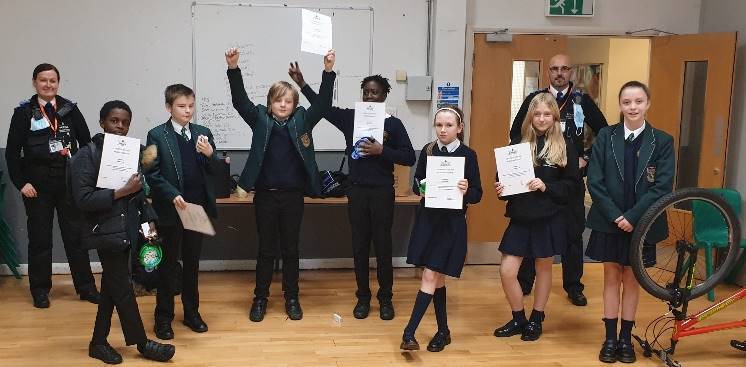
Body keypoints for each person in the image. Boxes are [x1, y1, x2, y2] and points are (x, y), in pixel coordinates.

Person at [288, 64, 416, 320]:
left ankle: (386, 299)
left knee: (383, 246)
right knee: (359, 247)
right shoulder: (350, 118)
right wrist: (303, 85)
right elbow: (323, 108)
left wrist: (383, 151)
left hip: (382, 193)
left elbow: (409, 157)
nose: (370, 96)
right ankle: (363, 298)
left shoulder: (394, 124)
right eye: (366, 92)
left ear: (384, 96)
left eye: (375, 92)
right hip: (356, 192)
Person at [225, 47, 336, 322]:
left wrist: (328, 72)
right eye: (278, 101)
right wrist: (233, 69)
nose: (283, 105)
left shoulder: (302, 120)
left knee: (290, 249)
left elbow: (322, 105)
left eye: (288, 101)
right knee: (266, 249)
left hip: (292, 197)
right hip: (265, 196)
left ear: (295, 104)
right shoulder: (260, 119)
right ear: (270, 103)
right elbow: (240, 102)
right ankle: (260, 299)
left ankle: (292, 297)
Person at [71, 100, 175, 364]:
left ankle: (97, 342)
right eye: (114, 121)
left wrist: (149, 224)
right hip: (104, 231)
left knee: (111, 287)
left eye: (125, 122)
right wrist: (120, 192)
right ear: (102, 122)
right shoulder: (86, 155)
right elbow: (83, 200)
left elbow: (138, 198)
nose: (120, 126)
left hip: (128, 227)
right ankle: (142, 343)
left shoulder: (131, 153)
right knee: (123, 288)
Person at [585, 81, 674, 363]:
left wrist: (633, 217)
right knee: (612, 276)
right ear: (620, 105)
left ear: (648, 104)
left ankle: (626, 339)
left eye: (638, 101)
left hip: (643, 221)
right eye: (626, 102)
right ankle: (609, 338)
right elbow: (595, 182)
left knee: (632, 279)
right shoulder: (605, 136)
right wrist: (616, 216)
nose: (632, 107)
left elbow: (662, 187)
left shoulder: (662, 141)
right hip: (609, 219)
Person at [510, 54, 608, 306]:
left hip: (568, 177)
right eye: (554, 69)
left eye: (564, 68)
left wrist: (586, 157)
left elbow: (605, 133)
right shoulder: (535, 100)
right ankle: (525, 281)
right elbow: (515, 133)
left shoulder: (581, 100)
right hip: (539, 178)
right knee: (535, 228)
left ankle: (573, 285)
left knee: (573, 233)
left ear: (571, 72)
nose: (559, 73)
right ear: (548, 72)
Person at [5, 63, 99, 308]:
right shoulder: (24, 113)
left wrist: (84, 178)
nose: (48, 85)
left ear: (59, 83)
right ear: (34, 82)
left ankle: (86, 287)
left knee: (76, 237)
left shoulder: (70, 110)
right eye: (43, 80)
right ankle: (40, 290)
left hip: (68, 183)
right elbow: (13, 153)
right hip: (37, 186)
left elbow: (87, 144)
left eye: (53, 80)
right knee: (40, 239)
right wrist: (21, 183)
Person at [494, 93, 579, 342]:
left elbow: (572, 187)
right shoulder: (516, 144)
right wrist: (501, 189)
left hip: (549, 217)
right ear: (530, 116)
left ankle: (537, 318)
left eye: (547, 114)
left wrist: (546, 186)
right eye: (537, 114)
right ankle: (519, 318)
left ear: (554, 117)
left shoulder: (565, 146)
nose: (542, 119)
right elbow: (502, 182)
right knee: (507, 270)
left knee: (543, 268)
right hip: (521, 216)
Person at [400, 106, 482, 352]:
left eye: (448, 125)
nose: (443, 130)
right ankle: (443, 331)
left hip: (452, 224)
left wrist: (467, 189)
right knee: (438, 280)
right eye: (439, 125)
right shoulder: (428, 151)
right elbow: (417, 187)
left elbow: (478, 194)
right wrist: (423, 187)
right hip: (429, 221)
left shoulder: (469, 154)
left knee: (429, 275)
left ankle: (409, 333)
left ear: (460, 128)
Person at [145, 84, 220, 340]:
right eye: (181, 106)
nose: (187, 111)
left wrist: (211, 155)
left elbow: (214, 172)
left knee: (192, 264)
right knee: (168, 266)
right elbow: (150, 172)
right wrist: (171, 193)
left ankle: (192, 314)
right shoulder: (156, 135)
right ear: (169, 107)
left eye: (190, 105)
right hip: (170, 211)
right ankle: (163, 319)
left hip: (196, 210)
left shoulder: (203, 133)